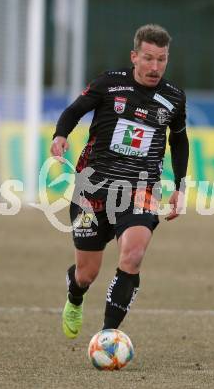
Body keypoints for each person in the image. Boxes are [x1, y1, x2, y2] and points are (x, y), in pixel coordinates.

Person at [51, 24, 189, 339]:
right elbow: (74, 111)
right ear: (134, 56)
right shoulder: (108, 84)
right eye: (149, 58)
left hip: (139, 189)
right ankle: (75, 296)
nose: (155, 67)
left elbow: (179, 141)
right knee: (87, 274)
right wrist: (60, 135)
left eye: (162, 60)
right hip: (92, 189)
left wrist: (180, 186)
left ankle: (108, 335)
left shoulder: (174, 98)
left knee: (133, 254)